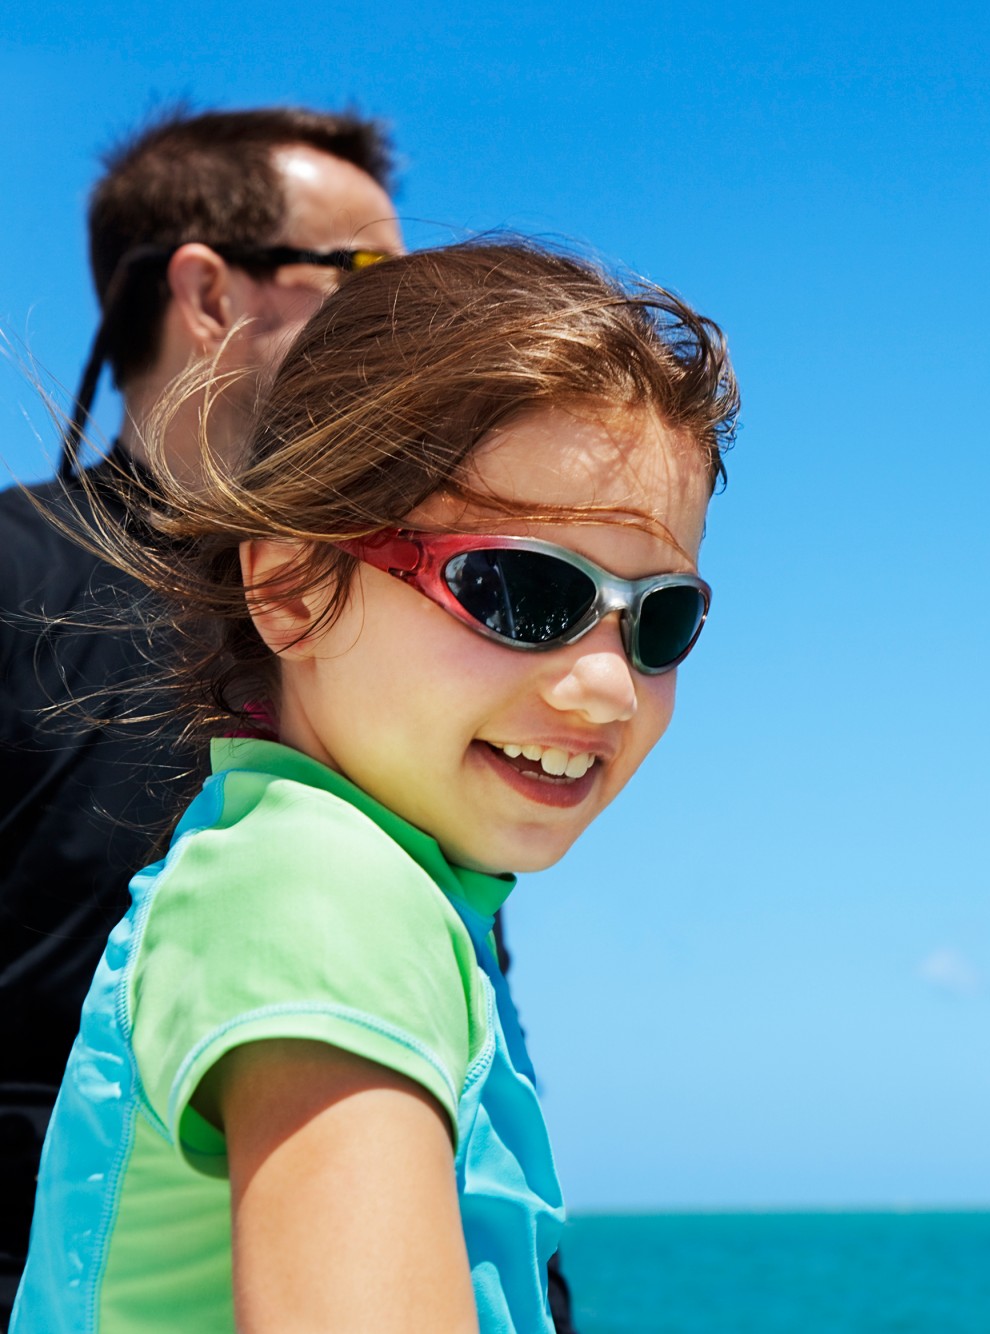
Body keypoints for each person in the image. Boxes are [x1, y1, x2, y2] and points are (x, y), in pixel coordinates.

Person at [9, 240, 738, 1331]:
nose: (604, 687)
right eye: (517, 589)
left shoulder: (288, 865)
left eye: (657, 619)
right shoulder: (323, 898)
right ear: (295, 588)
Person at [0, 106, 403, 1315]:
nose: (408, 328)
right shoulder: (12, 576)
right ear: (209, 293)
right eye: (372, 279)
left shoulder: (386, 612)